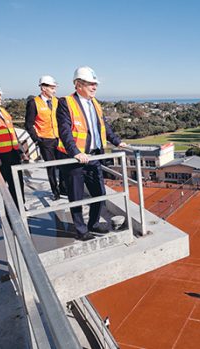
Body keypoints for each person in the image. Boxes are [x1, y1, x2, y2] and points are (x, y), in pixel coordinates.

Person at [56, 67, 126, 241]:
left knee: (100, 194)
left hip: (94, 156)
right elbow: (65, 132)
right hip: (74, 159)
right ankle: (81, 230)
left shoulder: (95, 103)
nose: (94, 87)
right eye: (90, 84)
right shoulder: (66, 103)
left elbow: (104, 127)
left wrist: (117, 141)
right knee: (76, 197)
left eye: (95, 84)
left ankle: (93, 224)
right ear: (78, 84)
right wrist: (76, 152)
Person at [25, 75, 64, 200]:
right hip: (45, 140)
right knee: (51, 167)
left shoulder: (57, 101)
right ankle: (55, 191)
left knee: (63, 164)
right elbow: (28, 124)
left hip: (58, 138)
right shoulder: (34, 103)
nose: (54, 90)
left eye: (54, 88)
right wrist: (37, 139)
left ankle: (63, 188)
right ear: (43, 88)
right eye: (52, 88)